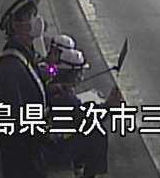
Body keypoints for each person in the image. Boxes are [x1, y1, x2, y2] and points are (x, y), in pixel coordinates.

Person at [0, 0, 48, 178]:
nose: (36, 21)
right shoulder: (10, 67)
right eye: (30, 17)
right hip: (22, 158)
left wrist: (49, 87)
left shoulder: (24, 53)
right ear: (16, 25)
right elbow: (14, 120)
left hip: (30, 150)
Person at [44, 47, 120, 178]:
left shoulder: (53, 86)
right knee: (97, 134)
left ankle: (80, 166)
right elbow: (85, 117)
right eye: (79, 73)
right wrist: (109, 106)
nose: (81, 76)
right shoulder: (63, 96)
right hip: (50, 149)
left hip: (44, 142)